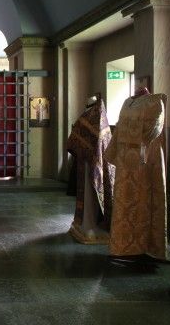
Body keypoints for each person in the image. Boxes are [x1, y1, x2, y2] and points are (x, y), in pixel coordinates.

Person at [104, 90, 167, 260]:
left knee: (143, 200)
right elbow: (119, 127)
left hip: (144, 160)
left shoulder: (155, 102)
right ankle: (122, 245)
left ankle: (142, 245)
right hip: (124, 161)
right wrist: (114, 151)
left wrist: (130, 138)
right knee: (123, 202)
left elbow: (154, 128)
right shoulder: (127, 102)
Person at [66, 97, 114, 244]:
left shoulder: (87, 118)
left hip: (90, 162)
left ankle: (89, 225)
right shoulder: (102, 120)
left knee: (90, 194)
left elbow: (73, 139)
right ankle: (87, 224)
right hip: (92, 163)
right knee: (88, 194)